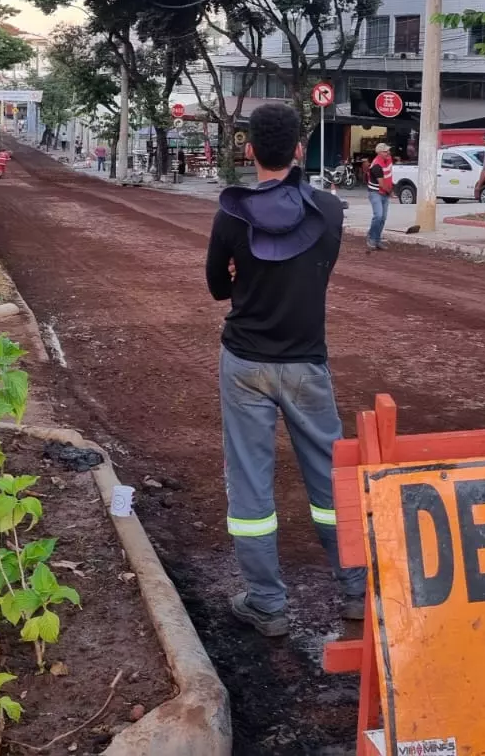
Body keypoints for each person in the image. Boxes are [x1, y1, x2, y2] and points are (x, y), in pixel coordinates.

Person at [204, 102, 365, 637]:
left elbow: (217, 287)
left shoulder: (232, 213)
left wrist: (240, 274)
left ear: (248, 149)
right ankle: (356, 591)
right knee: (330, 478)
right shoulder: (329, 210)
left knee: (250, 484)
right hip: (306, 363)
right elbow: (318, 274)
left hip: (245, 361)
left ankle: (266, 604)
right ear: (299, 149)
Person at [365, 143, 393, 251]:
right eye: (385, 151)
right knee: (378, 216)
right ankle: (372, 237)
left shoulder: (387, 161)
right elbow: (381, 183)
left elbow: (388, 176)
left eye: (388, 151)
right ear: (379, 153)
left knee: (383, 218)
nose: (388, 153)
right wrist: (390, 192)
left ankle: (376, 239)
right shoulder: (376, 166)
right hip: (375, 192)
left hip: (384, 193)